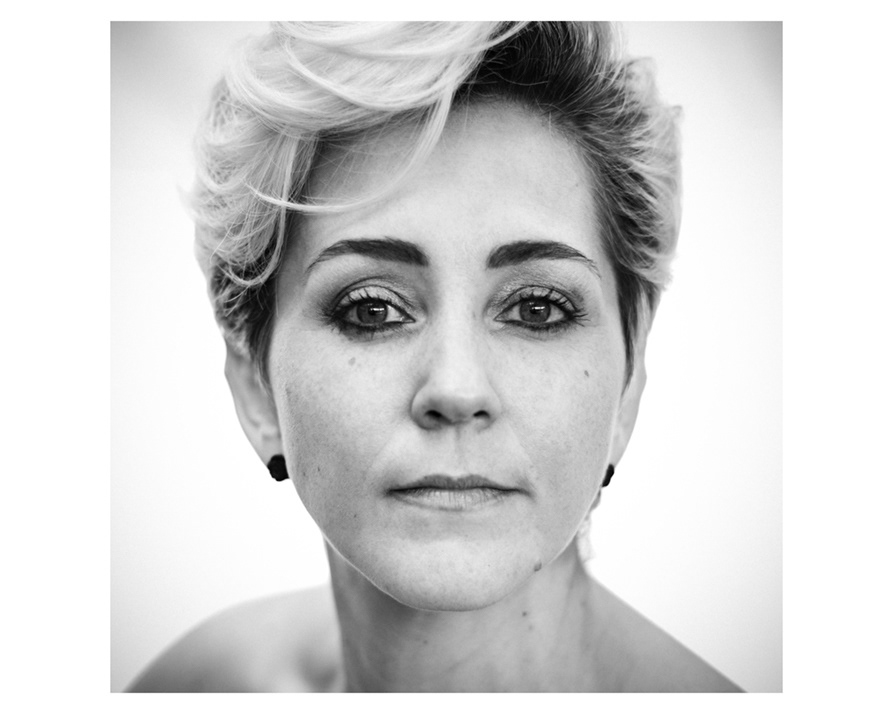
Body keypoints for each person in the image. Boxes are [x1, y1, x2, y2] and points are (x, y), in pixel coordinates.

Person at [128, 21, 742, 693]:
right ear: (255, 383)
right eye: (372, 309)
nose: (455, 388)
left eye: (537, 309)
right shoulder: (199, 685)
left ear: (629, 379)